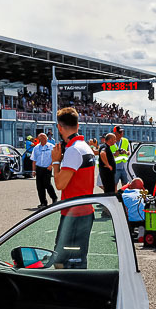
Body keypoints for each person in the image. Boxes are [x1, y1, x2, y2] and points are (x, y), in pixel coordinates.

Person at [49, 107, 97, 267]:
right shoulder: (84, 146)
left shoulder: (73, 150)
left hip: (74, 214)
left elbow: (60, 184)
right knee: (74, 261)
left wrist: (56, 161)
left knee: (64, 263)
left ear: (59, 127)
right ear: (78, 125)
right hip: (83, 211)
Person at [30, 131, 56, 207]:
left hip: (47, 168)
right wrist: (34, 170)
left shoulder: (51, 147)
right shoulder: (36, 148)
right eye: (41, 138)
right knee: (40, 186)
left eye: (44, 138)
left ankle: (54, 198)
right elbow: (34, 160)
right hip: (39, 168)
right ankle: (43, 203)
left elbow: (55, 157)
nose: (43, 139)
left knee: (47, 184)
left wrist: (51, 165)